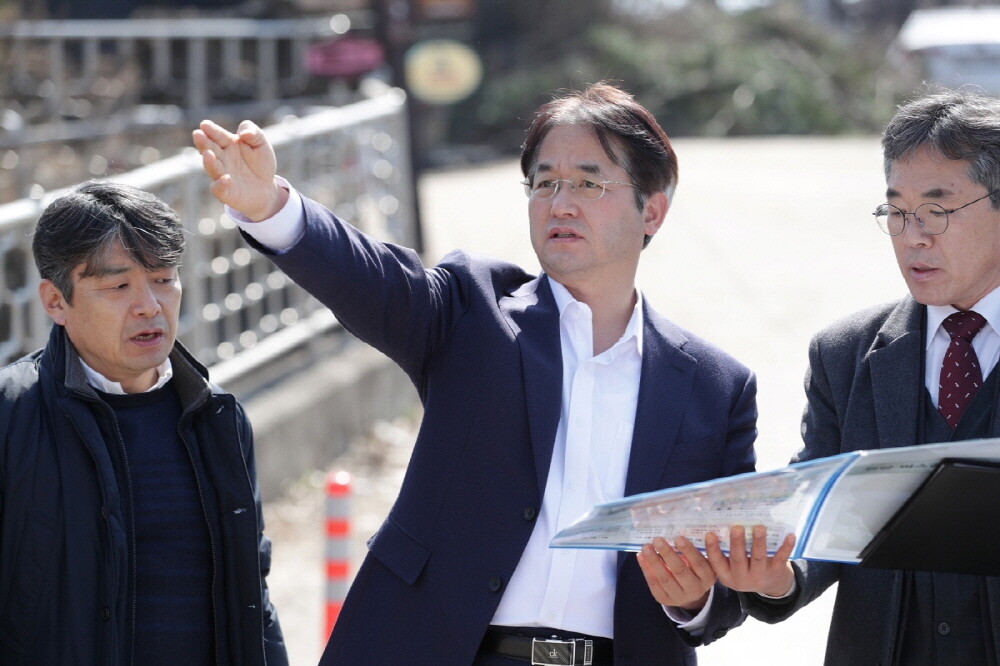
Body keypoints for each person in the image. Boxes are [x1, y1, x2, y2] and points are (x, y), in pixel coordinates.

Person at [193, 82, 758, 665]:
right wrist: (271, 207)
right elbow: (372, 278)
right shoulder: (473, 310)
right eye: (544, 183)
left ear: (652, 211)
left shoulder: (714, 389)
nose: (561, 203)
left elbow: (734, 585)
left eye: (589, 183)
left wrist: (695, 599)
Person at [705, 87, 1000, 665]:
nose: (913, 235)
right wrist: (779, 576)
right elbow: (819, 514)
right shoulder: (844, 354)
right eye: (897, 212)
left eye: (937, 210)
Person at [0, 181, 287, 665]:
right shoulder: (12, 418)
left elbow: (252, 595)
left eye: (163, 279)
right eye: (118, 286)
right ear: (55, 301)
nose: (149, 305)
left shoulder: (217, 416)